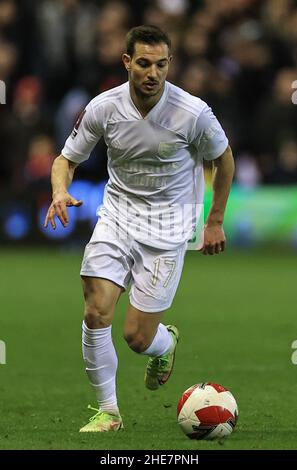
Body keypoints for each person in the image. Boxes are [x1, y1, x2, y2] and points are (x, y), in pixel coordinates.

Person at [44, 25, 235, 432]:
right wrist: (60, 191)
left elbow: (224, 160)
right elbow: (66, 158)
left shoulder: (193, 112)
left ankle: (164, 344)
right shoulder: (103, 107)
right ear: (127, 62)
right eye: (144, 63)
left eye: (161, 64)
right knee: (96, 310)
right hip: (117, 218)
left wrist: (215, 220)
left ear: (170, 64)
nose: (153, 73)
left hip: (168, 229)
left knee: (136, 337)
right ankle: (108, 412)